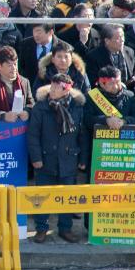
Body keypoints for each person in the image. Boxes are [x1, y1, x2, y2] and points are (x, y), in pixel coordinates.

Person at [28, 73, 88, 243]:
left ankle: (65, 228)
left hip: (69, 157)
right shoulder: (41, 107)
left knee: (67, 197)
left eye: (57, 88)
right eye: (52, 86)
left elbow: (82, 134)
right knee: (42, 196)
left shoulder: (77, 107)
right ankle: (41, 228)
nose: (53, 90)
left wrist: (83, 158)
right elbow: (33, 135)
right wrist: (36, 157)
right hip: (46, 158)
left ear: (67, 90)